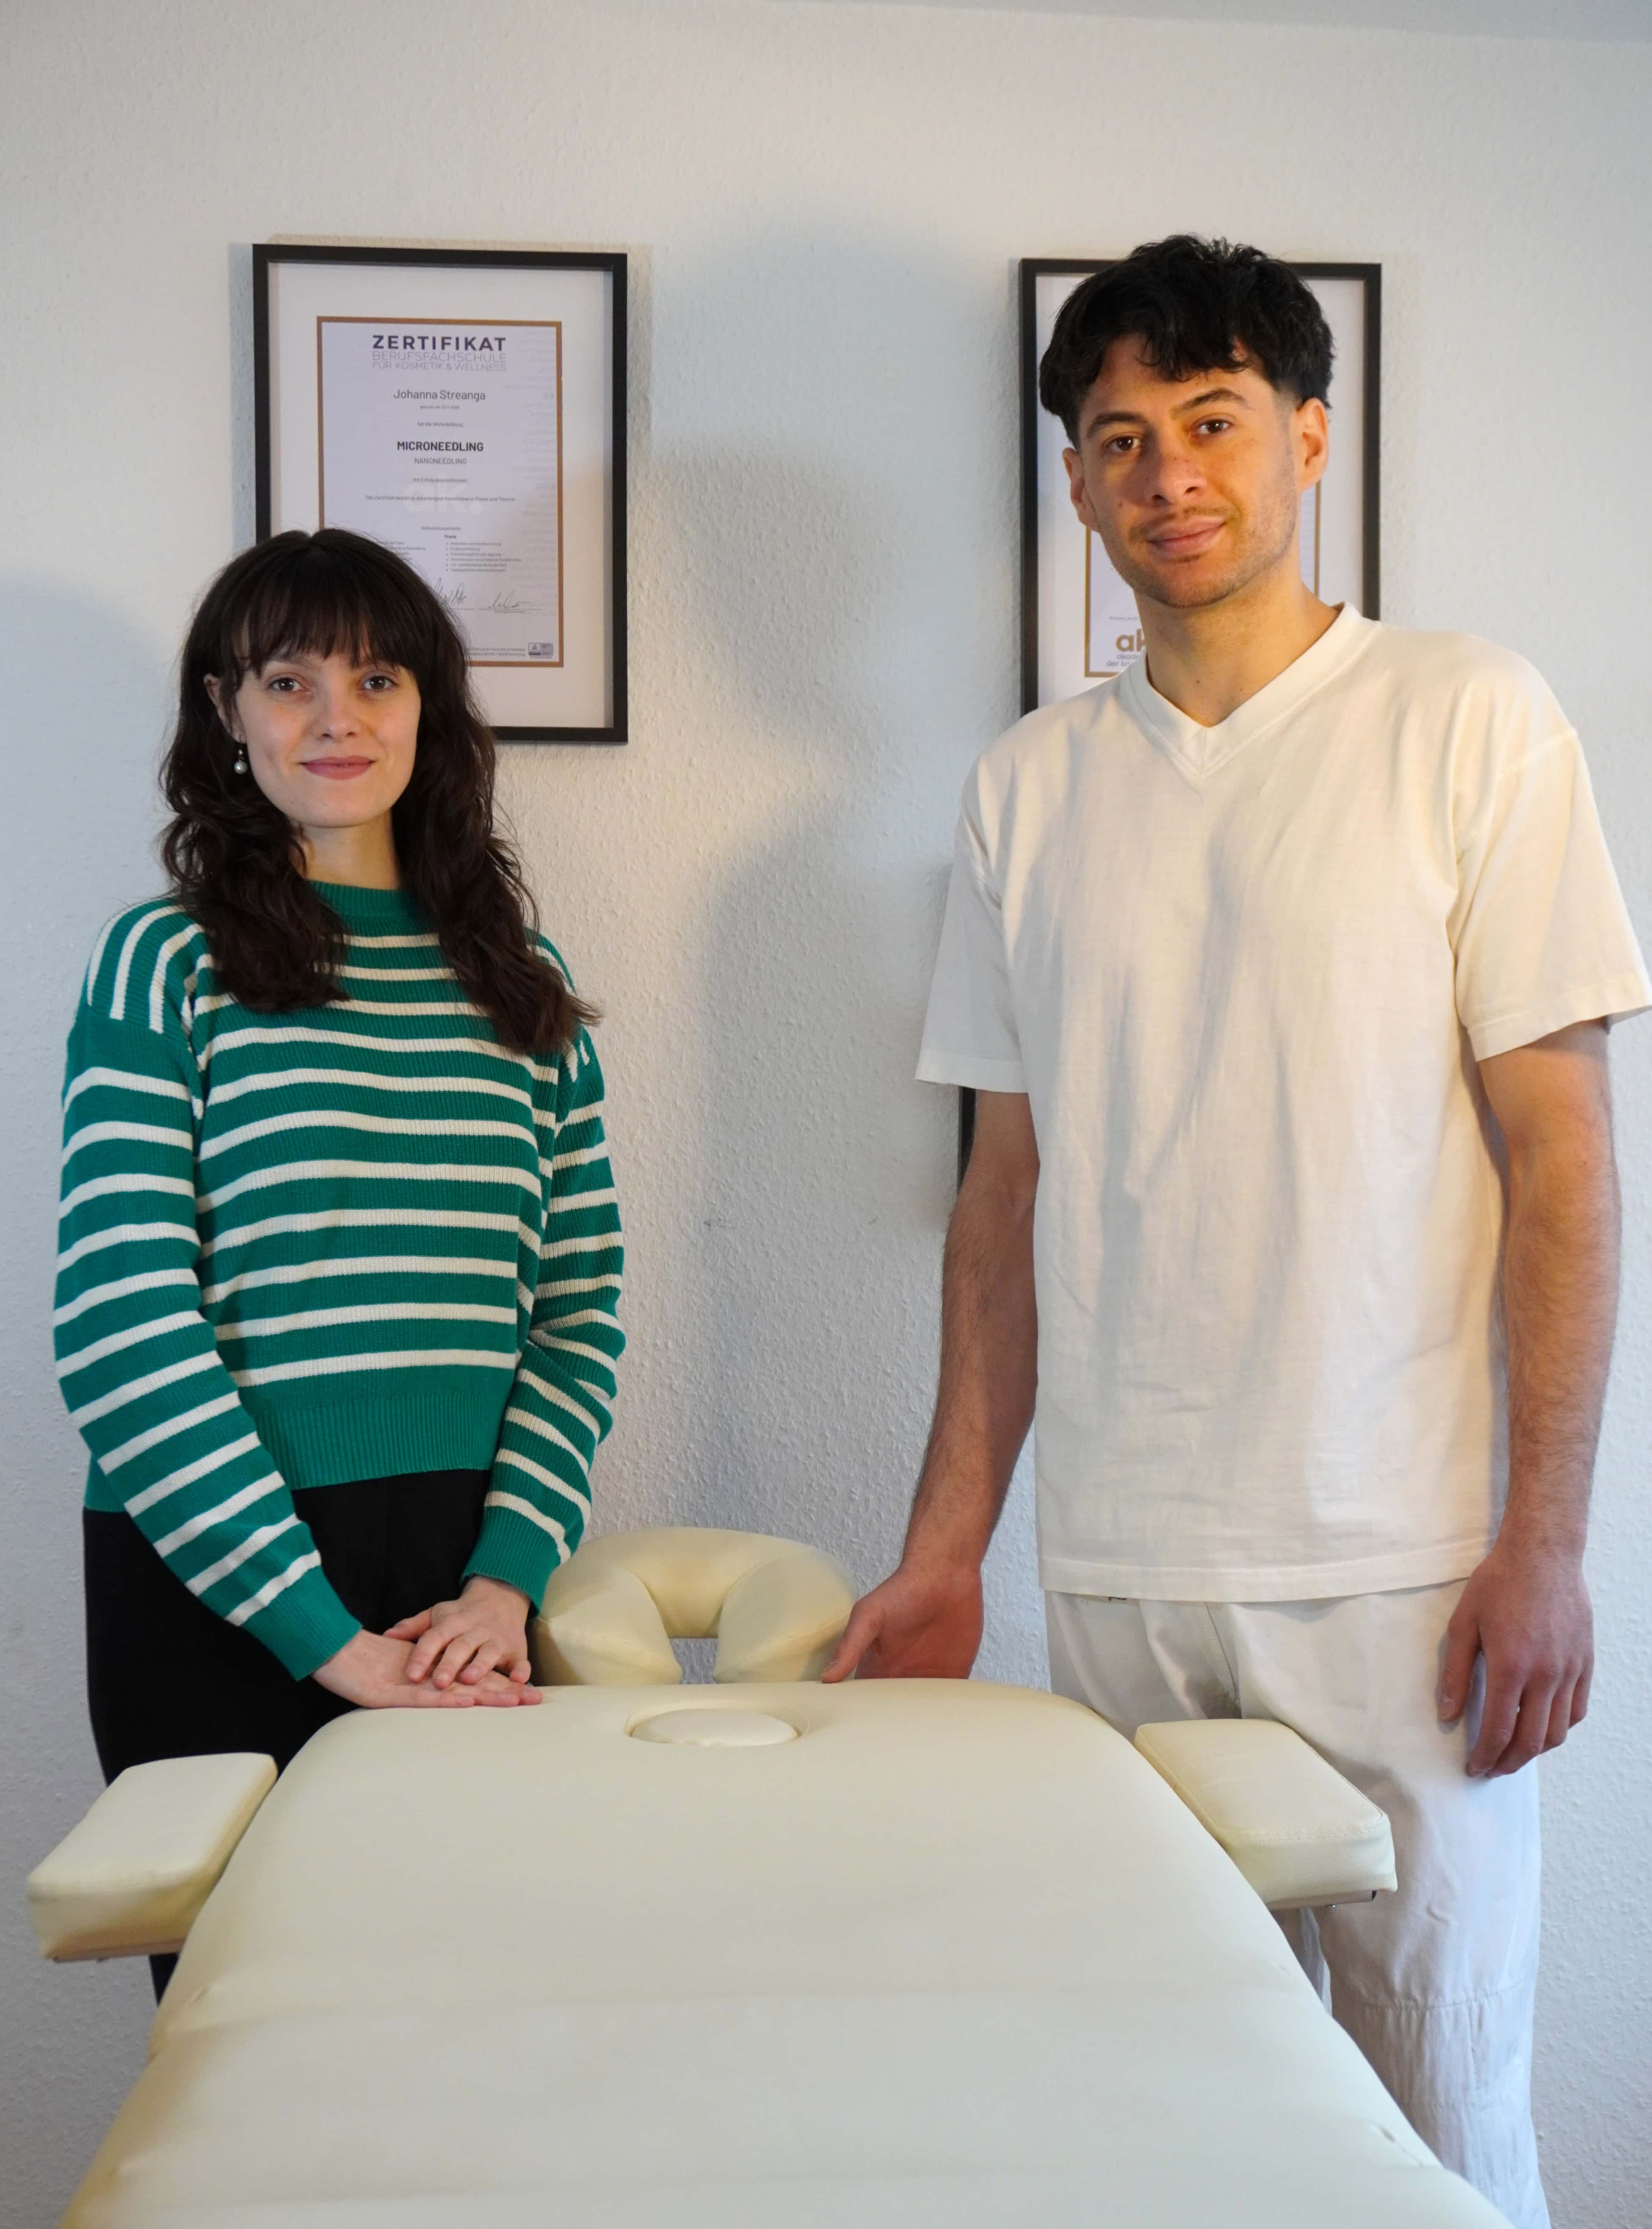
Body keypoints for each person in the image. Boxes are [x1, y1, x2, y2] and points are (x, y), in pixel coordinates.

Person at [823, 235, 1648, 2229]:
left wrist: (1545, 1543)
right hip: (1121, 1577)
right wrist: (948, 1551)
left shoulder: (1466, 717)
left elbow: (1561, 1156)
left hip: (1403, 1576)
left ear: (1308, 438)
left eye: (1209, 422)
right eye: (1120, 440)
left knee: (1437, 2138)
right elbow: (1003, 1201)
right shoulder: (1027, 789)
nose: (1166, 475)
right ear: (1076, 484)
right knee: (1172, 2137)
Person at [56, 528, 624, 2000]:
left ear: (429, 705)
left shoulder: (524, 987)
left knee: (470, 2015)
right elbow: (122, 1326)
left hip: (461, 1583)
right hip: (215, 1580)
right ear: (226, 711)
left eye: (376, 678)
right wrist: (323, 1638)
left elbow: (576, 1318)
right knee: (247, 2033)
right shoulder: (166, 962)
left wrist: (503, 1584)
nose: (335, 718)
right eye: (288, 680)